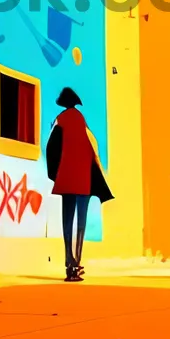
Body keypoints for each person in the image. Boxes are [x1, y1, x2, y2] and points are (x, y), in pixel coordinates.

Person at [46, 87, 113, 282]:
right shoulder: (82, 121)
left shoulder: (60, 120)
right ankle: (77, 262)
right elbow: (93, 148)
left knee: (67, 220)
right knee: (81, 222)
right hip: (84, 178)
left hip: (67, 177)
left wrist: (54, 175)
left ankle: (69, 261)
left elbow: (51, 148)